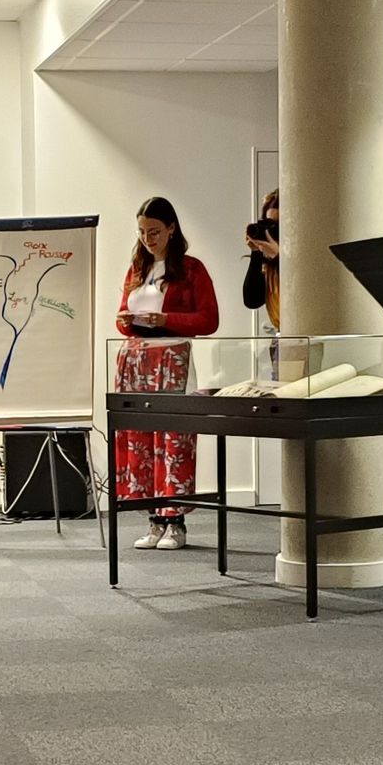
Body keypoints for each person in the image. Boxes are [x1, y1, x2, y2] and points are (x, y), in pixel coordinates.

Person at [113, 195, 220, 551]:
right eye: (142, 232)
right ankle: (153, 520)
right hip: (136, 360)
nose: (148, 238)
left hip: (171, 359)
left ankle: (176, 522)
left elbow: (209, 320)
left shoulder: (192, 269)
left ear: (172, 229)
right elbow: (121, 315)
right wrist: (128, 322)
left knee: (173, 439)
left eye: (155, 231)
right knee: (141, 441)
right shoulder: (136, 270)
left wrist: (167, 320)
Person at [241, 188, 281, 332]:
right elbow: (252, 300)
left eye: (277, 226)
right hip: (281, 341)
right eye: (270, 224)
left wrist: (279, 258)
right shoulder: (269, 264)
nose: (273, 231)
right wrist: (256, 252)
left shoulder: (307, 257)